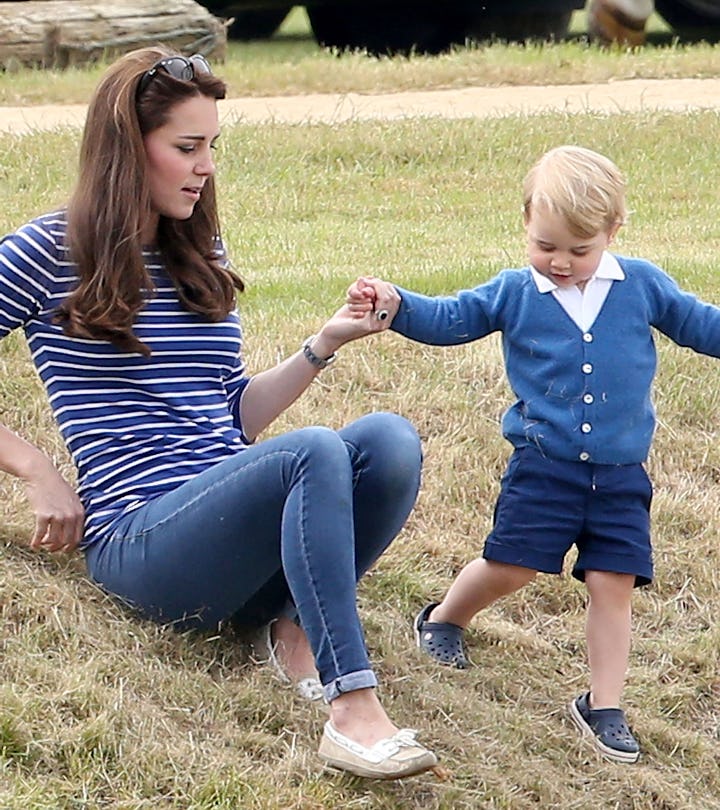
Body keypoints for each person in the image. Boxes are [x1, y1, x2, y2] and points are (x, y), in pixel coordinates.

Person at [0, 46, 438, 781]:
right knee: (314, 451)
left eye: (212, 147)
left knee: (387, 440)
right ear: (126, 149)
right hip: (139, 539)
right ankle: (354, 711)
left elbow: (233, 417)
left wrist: (322, 345)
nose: (206, 167)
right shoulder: (48, 249)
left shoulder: (196, 248)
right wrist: (35, 467)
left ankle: (287, 623)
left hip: (225, 520)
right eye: (187, 147)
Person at [346, 144, 720, 765]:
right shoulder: (516, 292)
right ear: (525, 225)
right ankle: (444, 618)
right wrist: (396, 303)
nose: (561, 262)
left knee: (613, 581)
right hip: (543, 466)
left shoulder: (643, 286)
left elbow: (700, 324)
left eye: (579, 249)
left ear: (612, 231)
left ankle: (603, 704)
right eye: (546, 246)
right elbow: (451, 317)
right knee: (513, 566)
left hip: (622, 474)